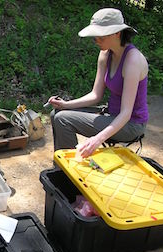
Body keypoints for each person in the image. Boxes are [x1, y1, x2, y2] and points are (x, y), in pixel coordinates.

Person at [48, 8, 148, 158]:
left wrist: (97, 139)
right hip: (111, 114)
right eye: (95, 36)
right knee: (57, 113)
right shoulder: (105, 54)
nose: (96, 40)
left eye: (101, 36)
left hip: (131, 124)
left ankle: (67, 173)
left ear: (117, 33)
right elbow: (96, 95)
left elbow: (126, 113)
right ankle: (67, 168)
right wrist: (65, 104)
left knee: (63, 119)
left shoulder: (132, 60)